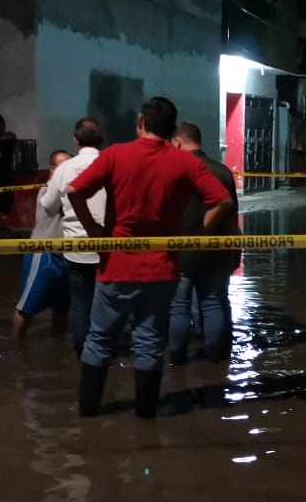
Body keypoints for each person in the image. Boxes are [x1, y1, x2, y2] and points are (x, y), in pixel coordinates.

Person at [67, 97, 235, 419]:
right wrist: (193, 233)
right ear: (173, 130)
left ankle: (88, 416)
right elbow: (223, 201)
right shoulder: (186, 163)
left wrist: (94, 230)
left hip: (117, 265)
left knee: (100, 339)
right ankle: (146, 419)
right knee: (149, 342)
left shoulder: (116, 154)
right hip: (162, 268)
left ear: (140, 121)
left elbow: (75, 191)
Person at [168, 122, 240, 365]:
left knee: (178, 306)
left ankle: (177, 359)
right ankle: (216, 361)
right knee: (212, 304)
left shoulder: (172, 171)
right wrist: (234, 251)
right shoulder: (221, 171)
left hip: (179, 252)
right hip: (215, 252)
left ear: (177, 142)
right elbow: (231, 220)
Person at [40, 118, 107, 357]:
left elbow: (47, 206)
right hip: (109, 247)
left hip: (76, 249)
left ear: (75, 141)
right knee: (108, 305)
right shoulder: (112, 163)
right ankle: (104, 353)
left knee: (80, 306)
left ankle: (82, 355)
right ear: (101, 140)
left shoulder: (65, 169)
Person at [13, 150, 74, 340]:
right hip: (43, 254)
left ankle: (58, 343)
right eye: (63, 166)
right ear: (52, 169)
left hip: (65, 255)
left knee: (62, 306)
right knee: (27, 305)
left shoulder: (68, 189)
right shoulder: (49, 190)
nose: (68, 170)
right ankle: (16, 344)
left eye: (70, 166)